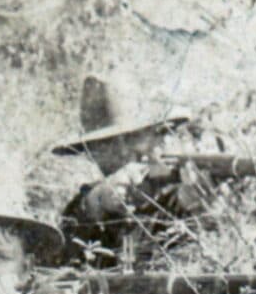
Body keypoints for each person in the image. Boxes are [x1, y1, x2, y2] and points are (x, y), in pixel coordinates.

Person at [51, 75, 209, 270]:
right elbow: (63, 257)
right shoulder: (88, 204)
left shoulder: (169, 193)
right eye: (102, 145)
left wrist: (192, 206)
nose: (118, 150)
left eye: (129, 140)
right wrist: (94, 204)